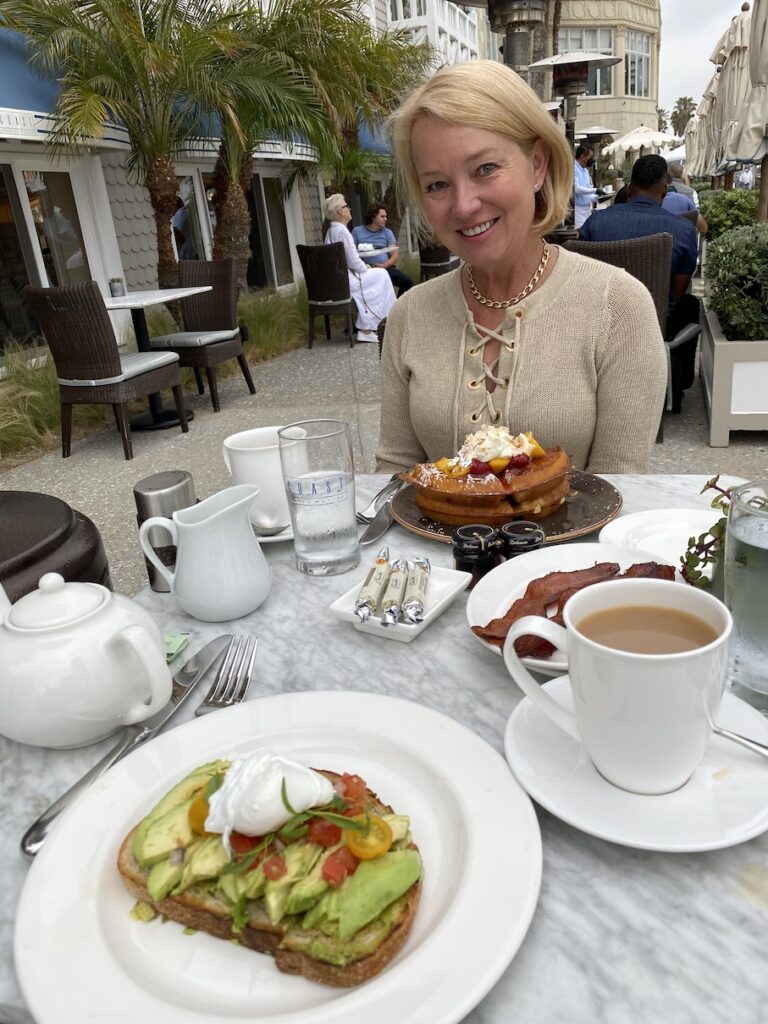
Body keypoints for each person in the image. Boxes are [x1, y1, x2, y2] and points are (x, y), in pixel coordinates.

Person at [376, 60, 667, 475]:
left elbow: (620, 491)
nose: (463, 205)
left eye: (486, 169)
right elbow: (393, 476)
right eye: (437, 184)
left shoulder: (616, 307)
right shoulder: (409, 315)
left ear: (537, 164)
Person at [579, 154, 700, 411]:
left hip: (599, 324)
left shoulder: (595, 223)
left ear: (629, 187)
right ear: (664, 190)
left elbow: (581, 274)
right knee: (689, 304)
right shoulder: (682, 229)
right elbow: (679, 287)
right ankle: (675, 391)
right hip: (655, 326)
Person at [324, 194, 397, 343]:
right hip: (348, 280)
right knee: (382, 274)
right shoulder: (343, 231)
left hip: (338, 280)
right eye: (346, 206)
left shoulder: (331, 230)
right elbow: (354, 262)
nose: (349, 209)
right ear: (340, 211)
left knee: (379, 274)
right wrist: (367, 267)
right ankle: (373, 326)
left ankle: (374, 324)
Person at [351, 204, 413, 295]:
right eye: (382, 216)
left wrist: (383, 266)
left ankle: (398, 303)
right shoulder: (357, 232)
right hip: (366, 269)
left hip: (386, 267)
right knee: (386, 287)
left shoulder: (387, 232)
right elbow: (351, 252)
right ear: (373, 217)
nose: (386, 219)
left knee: (408, 282)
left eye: (386, 216)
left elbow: (395, 256)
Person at [573, 143, 599, 229]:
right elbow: (576, 189)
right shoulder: (574, 168)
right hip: (578, 210)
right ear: (582, 156)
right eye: (590, 157)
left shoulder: (585, 171)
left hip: (587, 208)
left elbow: (587, 189)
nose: (591, 160)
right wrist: (595, 190)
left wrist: (597, 197)